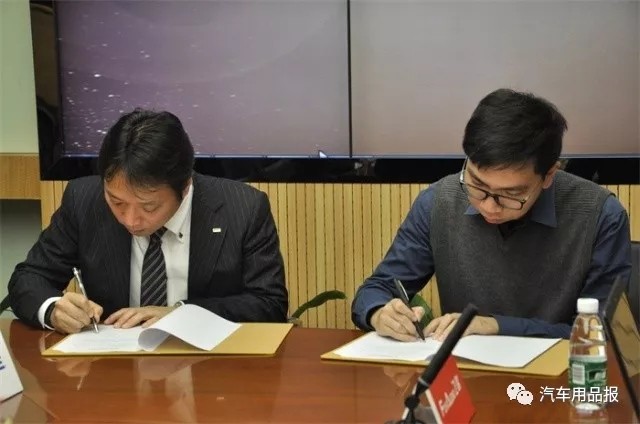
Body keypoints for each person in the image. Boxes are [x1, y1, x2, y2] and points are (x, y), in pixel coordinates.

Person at [351, 88, 632, 341]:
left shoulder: (601, 215)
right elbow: (376, 289)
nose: (489, 206)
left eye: (511, 194)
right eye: (477, 185)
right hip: (465, 375)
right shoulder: (437, 203)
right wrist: (379, 313)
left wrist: (496, 326)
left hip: (563, 376)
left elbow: (600, 332)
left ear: (548, 175)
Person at [8, 109, 288, 334]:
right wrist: (53, 309)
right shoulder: (84, 200)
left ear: (185, 186)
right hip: (111, 369)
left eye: (149, 206)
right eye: (117, 202)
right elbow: (29, 278)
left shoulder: (243, 208)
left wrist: (182, 314)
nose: (131, 220)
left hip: (211, 371)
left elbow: (269, 304)